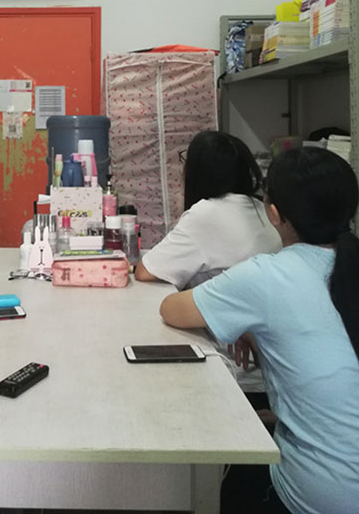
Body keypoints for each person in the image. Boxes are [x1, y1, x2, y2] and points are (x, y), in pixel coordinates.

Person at [160, 147, 359, 513]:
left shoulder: (267, 275)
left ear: (274, 214)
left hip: (319, 497)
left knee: (216, 480)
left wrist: (243, 322)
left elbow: (171, 309)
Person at [135, 131, 281, 289]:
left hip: (223, 304)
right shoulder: (261, 208)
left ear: (198, 172)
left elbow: (146, 272)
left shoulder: (206, 214)